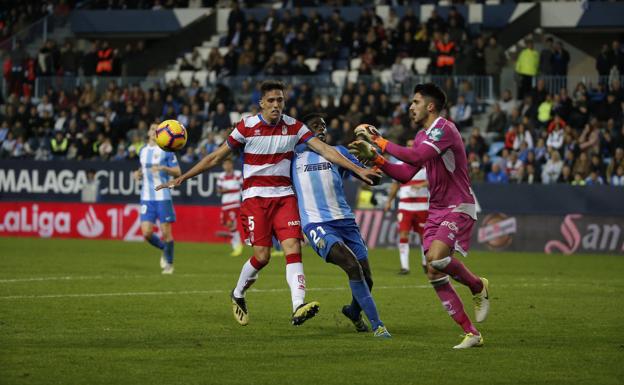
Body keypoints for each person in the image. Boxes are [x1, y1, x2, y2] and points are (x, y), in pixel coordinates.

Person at [156, 80, 379, 326]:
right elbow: (215, 157)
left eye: (280, 100)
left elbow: (327, 151)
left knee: (293, 248)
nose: (276, 105)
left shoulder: (294, 127)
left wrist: (360, 170)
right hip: (255, 199)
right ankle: (238, 293)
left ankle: (298, 306)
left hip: (284, 198)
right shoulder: (246, 127)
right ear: (261, 103)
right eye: (271, 101)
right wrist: (183, 177)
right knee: (262, 257)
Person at [349, 83, 490, 349]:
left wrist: (379, 142)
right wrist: (378, 160)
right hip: (435, 209)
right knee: (432, 271)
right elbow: (405, 173)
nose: (410, 107)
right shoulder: (423, 135)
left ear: (430, 105)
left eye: (415, 102)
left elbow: (416, 155)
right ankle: (472, 333)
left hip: (458, 204)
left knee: (436, 259)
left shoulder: (444, 129)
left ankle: (476, 286)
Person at [291, 113, 390, 338]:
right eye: (315, 126)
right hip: (317, 224)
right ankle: (378, 326)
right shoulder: (292, 158)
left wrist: (374, 164)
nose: (321, 129)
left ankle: (353, 312)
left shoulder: (340, 153)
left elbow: (372, 177)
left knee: (367, 277)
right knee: (352, 266)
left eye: (324, 126)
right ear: (303, 131)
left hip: (346, 222)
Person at [134, 124, 181, 274]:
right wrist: (138, 174)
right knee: (146, 233)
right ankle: (164, 249)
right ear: (148, 132)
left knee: (166, 232)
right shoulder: (142, 150)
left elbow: (178, 172)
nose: (154, 131)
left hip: (163, 197)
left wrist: (163, 168)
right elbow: (142, 168)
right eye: (152, 129)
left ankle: (169, 264)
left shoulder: (167, 150)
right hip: (146, 197)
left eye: (157, 129)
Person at [384, 147, 429, 275]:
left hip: (422, 206)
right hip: (405, 206)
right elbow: (395, 185)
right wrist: (389, 201)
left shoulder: (425, 165)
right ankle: (405, 267)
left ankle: (425, 262)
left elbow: (435, 180)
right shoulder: (399, 165)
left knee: (424, 237)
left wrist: (421, 184)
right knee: (403, 235)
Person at [216, 157, 244, 257]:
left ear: (231, 164)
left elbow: (242, 187)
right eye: (225, 164)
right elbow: (219, 190)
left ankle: (237, 246)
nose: (227, 166)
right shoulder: (221, 176)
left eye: (228, 164)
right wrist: (232, 189)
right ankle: (235, 241)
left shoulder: (238, 174)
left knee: (230, 223)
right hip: (225, 204)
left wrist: (227, 189)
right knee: (227, 224)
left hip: (234, 203)